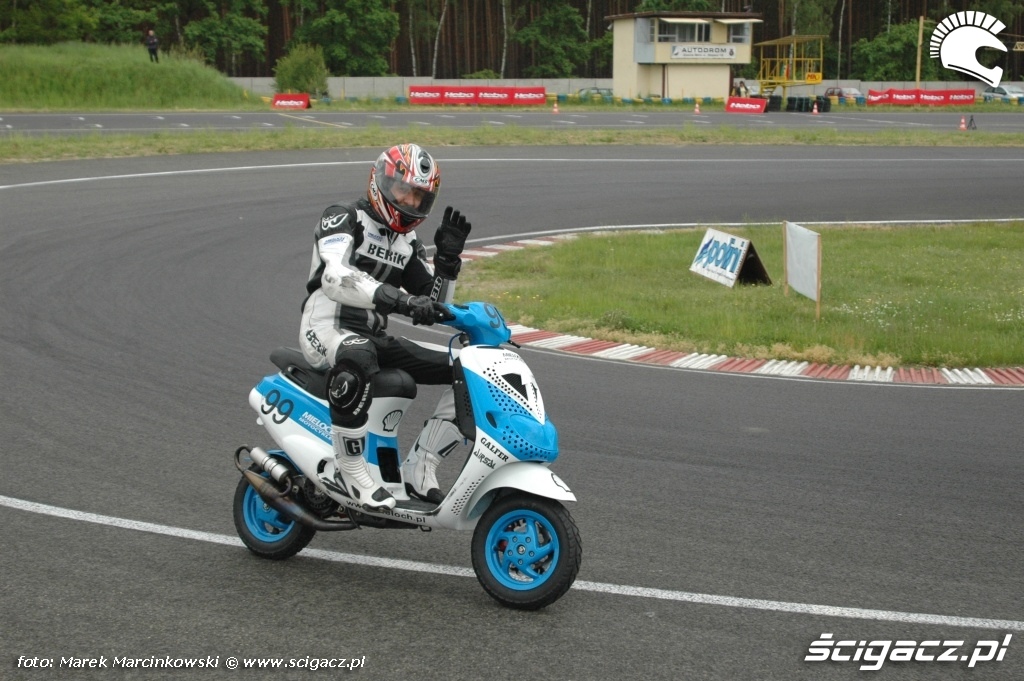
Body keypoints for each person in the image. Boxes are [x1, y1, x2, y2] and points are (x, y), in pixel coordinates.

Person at [299, 143, 471, 511]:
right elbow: (335, 277)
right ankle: (350, 470)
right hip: (325, 328)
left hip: (373, 337)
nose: (409, 201)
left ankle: (421, 465)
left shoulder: (408, 242)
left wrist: (447, 265)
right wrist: (400, 300)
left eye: (419, 196)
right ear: (380, 180)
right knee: (359, 353)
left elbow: (435, 306)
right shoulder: (342, 217)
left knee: (469, 368)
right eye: (403, 190)